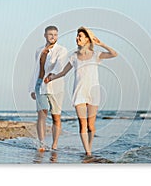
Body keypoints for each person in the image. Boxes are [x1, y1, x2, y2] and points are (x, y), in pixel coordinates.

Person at [44, 26, 117, 156]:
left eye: (80, 36)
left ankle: (89, 147)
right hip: (79, 93)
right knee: (82, 124)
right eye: (77, 36)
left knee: (91, 126)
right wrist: (52, 77)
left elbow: (114, 54)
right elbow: (64, 72)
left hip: (93, 93)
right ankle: (88, 152)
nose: (77, 38)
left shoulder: (96, 55)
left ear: (87, 40)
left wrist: (101, 44)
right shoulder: (74, 56)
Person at [28, 26, 68, 151]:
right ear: (45, 35)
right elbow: (36, 70)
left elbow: (59, 65)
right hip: (40, 85)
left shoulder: (62, 50)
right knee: (41, 114)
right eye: (50, 34)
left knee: (56, 116)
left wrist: (51, 75)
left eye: (55, 34)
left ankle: (54, 145)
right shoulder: (39, 50)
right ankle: (42, 144)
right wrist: (32, 88)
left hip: (55, 86)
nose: (53, 37)